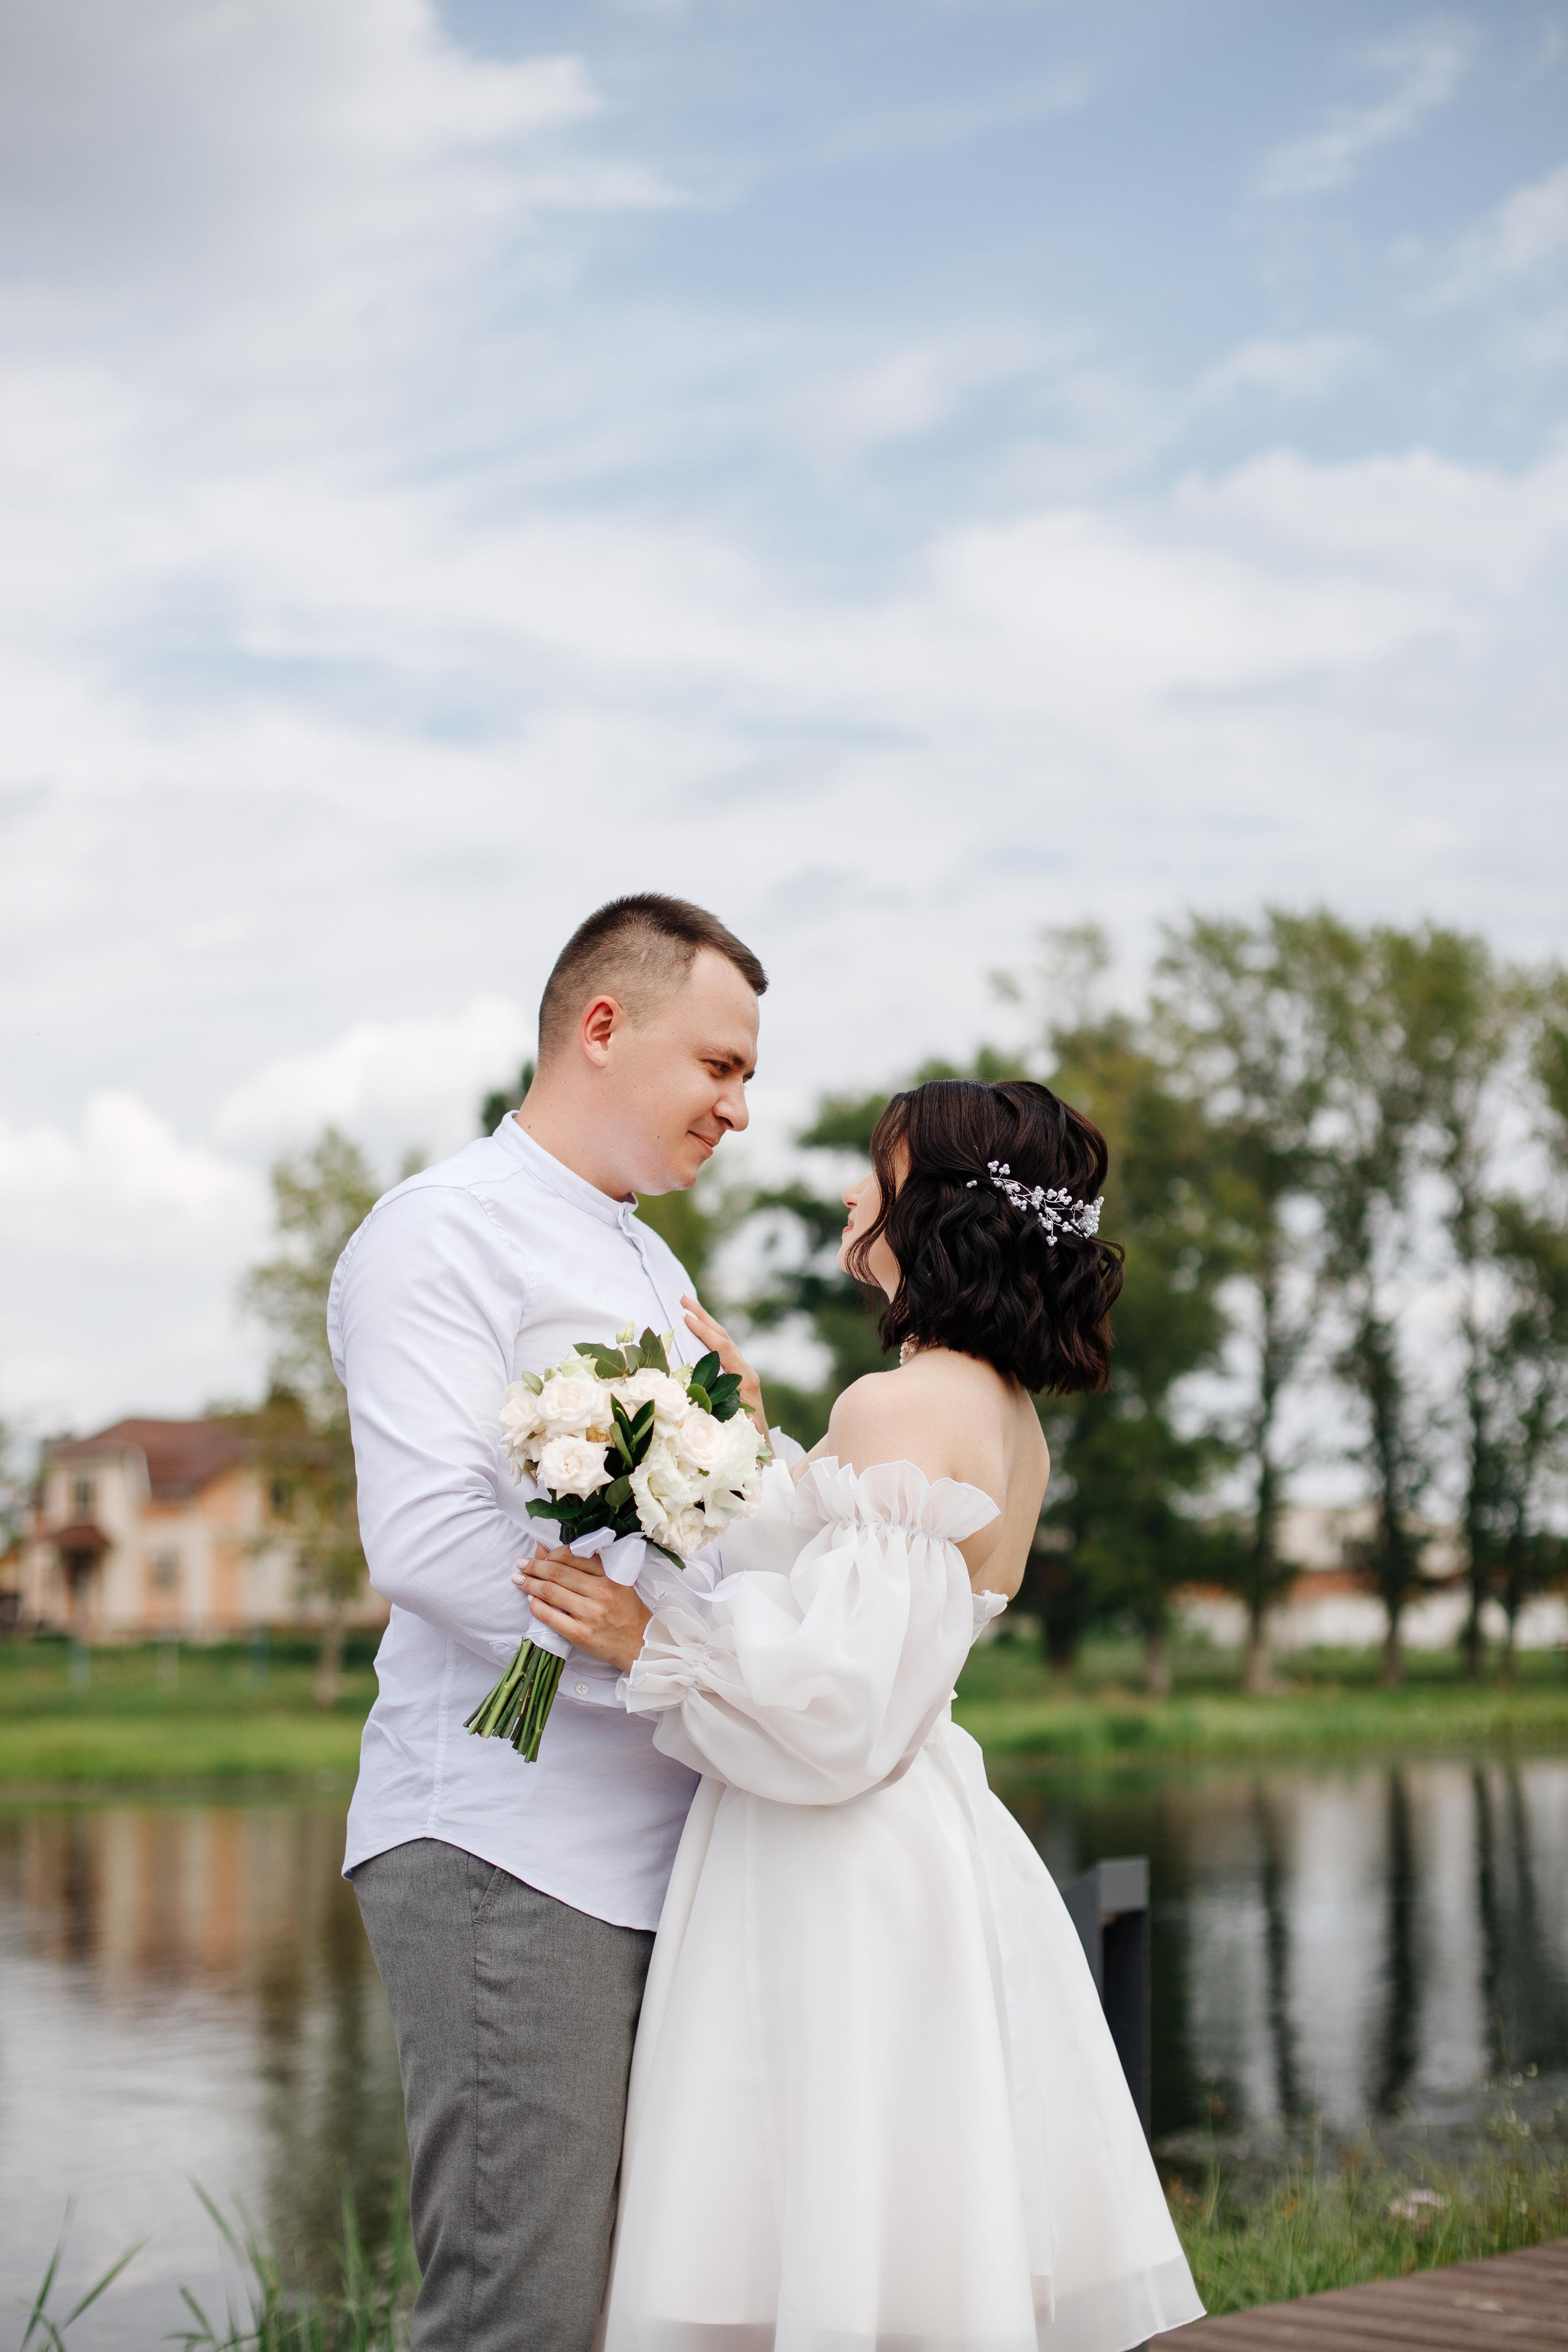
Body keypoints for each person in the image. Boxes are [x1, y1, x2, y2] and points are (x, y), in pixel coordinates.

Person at [522, 1077, 1206, 2352]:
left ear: (933, 1207)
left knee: (813, 2204)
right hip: (926, 1846)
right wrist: (754, 1440)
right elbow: (859, 1603)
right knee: (899, 2233)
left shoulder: (899, 1403)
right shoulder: (1000, 1409)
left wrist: (649, 1640)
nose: (849, 1194)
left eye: (873, 1173)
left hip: (831, 1862)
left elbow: (836, 1708)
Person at [331, 893, 767, 2352]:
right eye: (719, 1065)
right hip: (509, 1846)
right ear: (602, 1026)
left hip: (673, 1850)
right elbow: (434, 1542)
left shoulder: (651, 1267)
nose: (740, 1110)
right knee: (520, 2315)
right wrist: (659, 1676)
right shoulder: (439, 1233)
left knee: (640, 2312)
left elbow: (694, 1547)